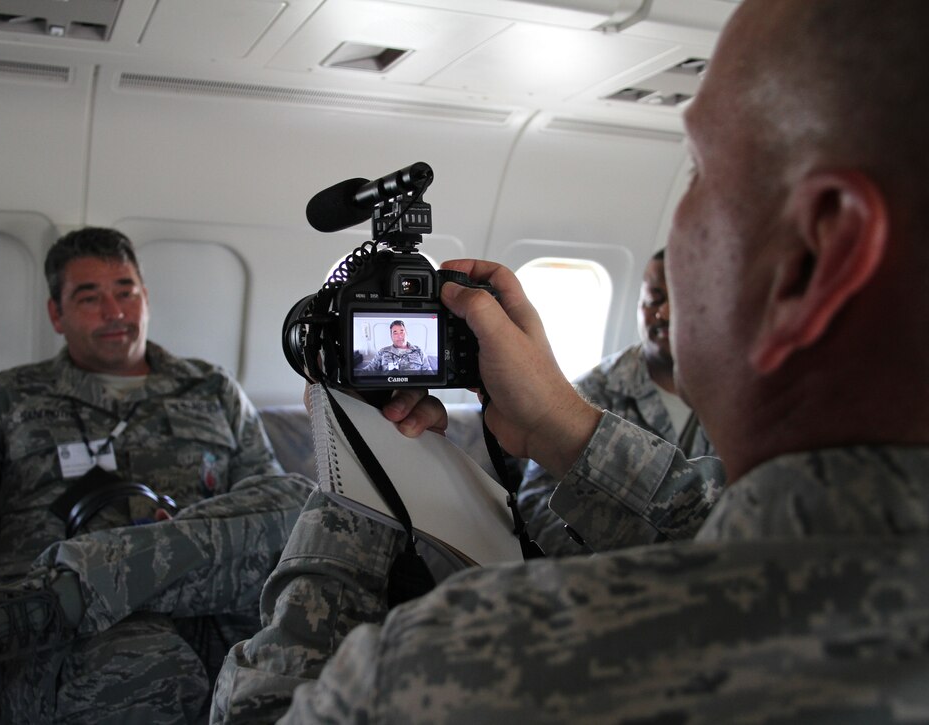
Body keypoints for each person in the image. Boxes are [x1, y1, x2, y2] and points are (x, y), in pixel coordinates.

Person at [212, 1, 929, 721]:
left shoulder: (447, 670)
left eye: (698, 171)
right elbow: (705, 521)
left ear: (815, 258)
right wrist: (563, 426)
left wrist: (353, 504)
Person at [0, 228, 311, 723]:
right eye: (90, 297)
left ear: (145, 297)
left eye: (126, 291)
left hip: (211, 609)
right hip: (67, 641)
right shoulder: (13, 396)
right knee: (151, 675)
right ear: (56, 314)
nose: (114, 311)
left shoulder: (212, 388)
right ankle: (46, 604)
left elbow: (271, 506)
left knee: (300, 499)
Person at [519, 248, 718, 555]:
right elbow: (536, 504)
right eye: (653, 298)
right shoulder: (588, 395)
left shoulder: (731, 396)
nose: (662, 313)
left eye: (677, 298)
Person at [362, 320, 432, 373]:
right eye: (395, 333)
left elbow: (428, 372)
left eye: (402, 332)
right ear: (391, 336)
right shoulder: (382, 352)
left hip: (413, 389)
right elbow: (368, 370)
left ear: (406, 333)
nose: (399, 336)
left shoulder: (418, 351)